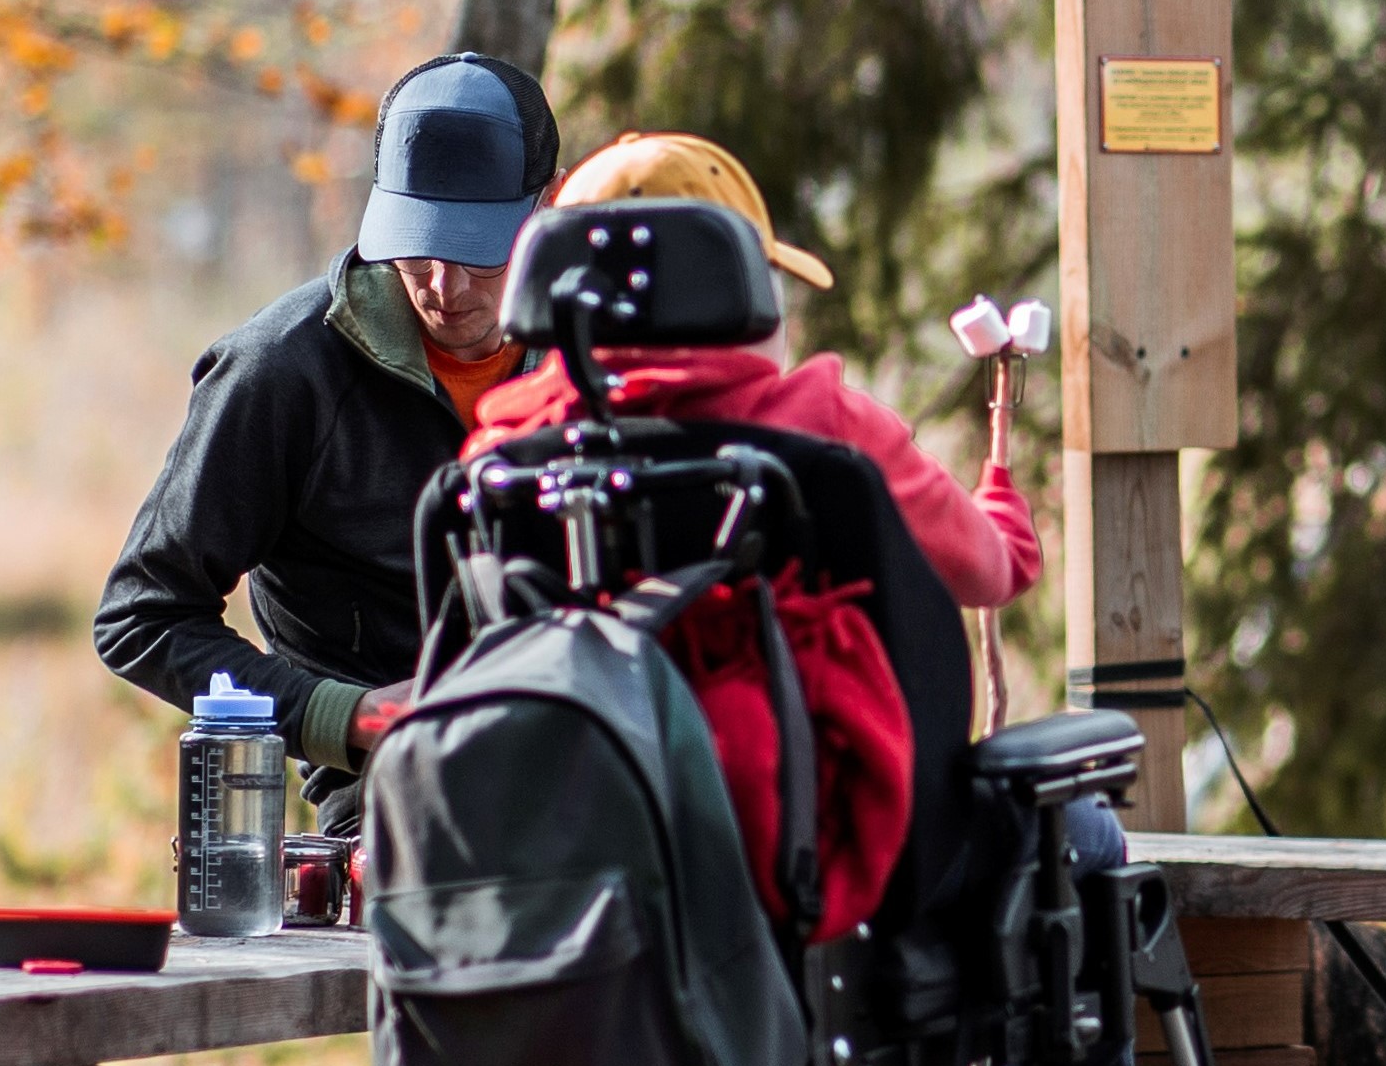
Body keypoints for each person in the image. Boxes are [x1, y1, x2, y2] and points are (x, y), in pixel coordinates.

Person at [95, 52, 558, 811]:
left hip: (599, 790)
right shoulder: (281, 372)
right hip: (388, 812)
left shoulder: (602, 363)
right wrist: (345, 715)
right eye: (422, 243)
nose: (445, 287)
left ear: (549, 207)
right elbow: (141, 616)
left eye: (479, 250)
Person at [459, 132, 1042, 612]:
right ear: (740, 287)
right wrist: (1000, 501)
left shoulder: (500, 456)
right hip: (793, 753)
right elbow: (990, 572)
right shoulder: (832, 430)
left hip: (577, 754)